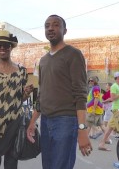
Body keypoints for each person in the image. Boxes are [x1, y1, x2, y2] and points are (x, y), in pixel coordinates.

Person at [26, 14, 92, 169]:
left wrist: (82, 129)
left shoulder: (73, 54)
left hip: (66, 121)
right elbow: (43, 94)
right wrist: (32, 122)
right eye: (47, 25)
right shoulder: (43, 60)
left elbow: (80, 94)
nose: (50, 28)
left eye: (56, 25)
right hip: (46, 121)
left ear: (65, 30)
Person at [0, 30, 34, 169]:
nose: (1, 48)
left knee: (11, 164)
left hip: (14, 125)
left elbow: (19, 99)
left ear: (11, 46)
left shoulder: (21, 71)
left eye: (5, 45)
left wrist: (25, 94)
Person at [98, 71, 119, 151]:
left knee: (110, 127)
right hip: (117, 110)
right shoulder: (114, 86)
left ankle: (102, 144)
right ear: (118, 78)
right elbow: (114, 98)